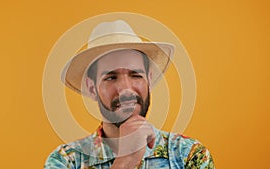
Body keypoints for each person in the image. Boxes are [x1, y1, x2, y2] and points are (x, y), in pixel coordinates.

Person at [44, 20, 214, 169]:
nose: (126, 89)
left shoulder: (189, 155)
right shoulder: (65, 161)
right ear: (91, 88)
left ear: (149, 80)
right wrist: (125, 162)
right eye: (111, 77)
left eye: (136, 75)